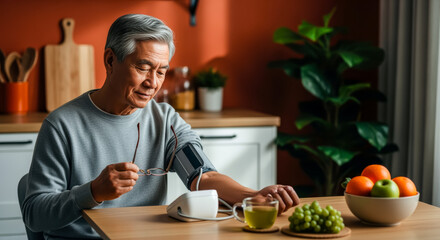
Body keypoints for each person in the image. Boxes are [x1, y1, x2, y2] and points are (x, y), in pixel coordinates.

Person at [21, 14, 300, 239]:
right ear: (110, 60)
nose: (153, 82)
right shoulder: (61, 125)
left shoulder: (165, 120)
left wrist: (252, 196)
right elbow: (35, 213)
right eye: (143, 67)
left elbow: (202, 175)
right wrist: (92, 192)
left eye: (161, 71)